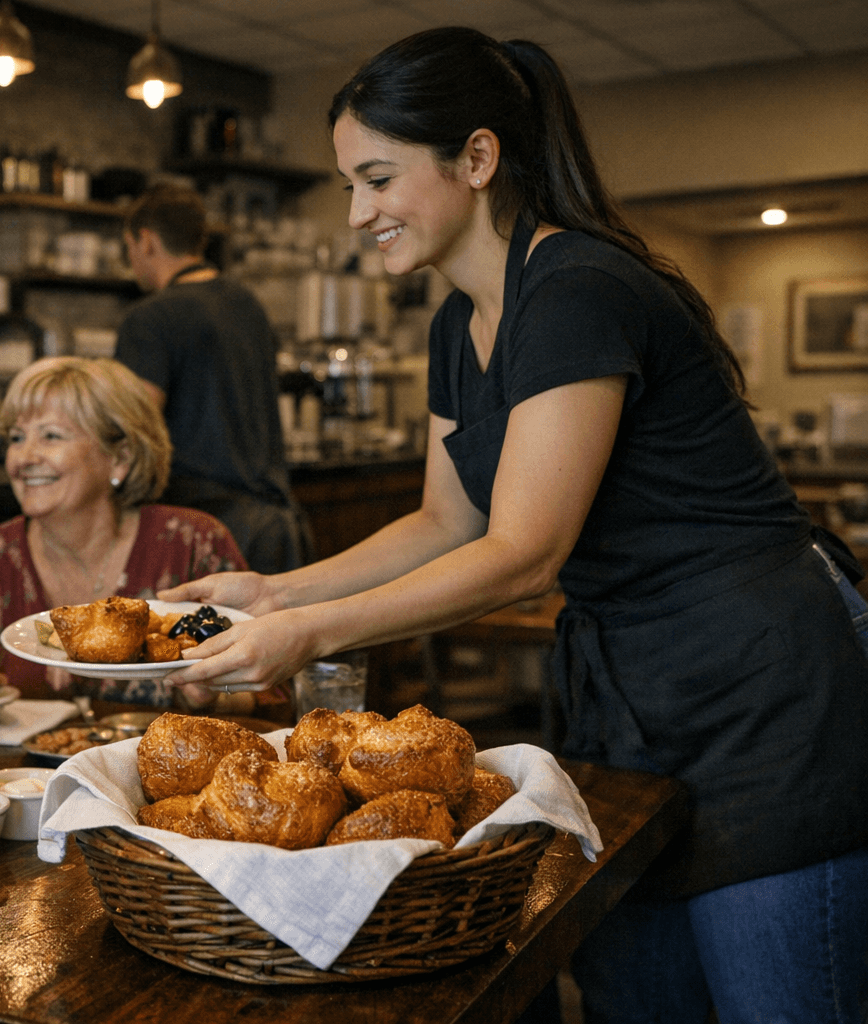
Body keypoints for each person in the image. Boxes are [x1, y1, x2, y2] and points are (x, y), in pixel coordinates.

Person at [161, 27, 868, 1024]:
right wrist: (275, 593)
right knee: (634, 1000)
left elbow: (525, 552)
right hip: (632, 693)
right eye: (350, 186)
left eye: (377, 179)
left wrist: (309, 634)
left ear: (478, 158)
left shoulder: (576, 289)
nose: (358, 213)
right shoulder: (459, 322)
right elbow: (446, 519)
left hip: (762, 690)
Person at [0, 356, 247, 707]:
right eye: (17, 438)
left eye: (51, 436)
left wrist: (213, 697)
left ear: (120, 458)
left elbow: (269, 694)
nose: (23, 458)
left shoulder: (194, 544)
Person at [115, 183, 309, 575]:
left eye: (129, 246)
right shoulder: (247, 304)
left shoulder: (149, 318)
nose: (131, 258)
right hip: (275, 523)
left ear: (147, 241)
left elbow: (134, 429)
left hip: (199, 532)